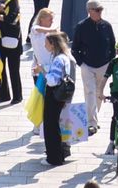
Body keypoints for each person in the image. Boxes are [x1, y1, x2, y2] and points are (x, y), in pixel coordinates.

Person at [69, 0, 115, 131]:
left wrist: (110, 61)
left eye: (101, 9)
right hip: (87, 65)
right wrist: (81, 63)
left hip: (104, 65)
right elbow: (74, 48)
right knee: (90, 92)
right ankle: (91, 123)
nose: (100, 12)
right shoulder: (81, 26)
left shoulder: (107, 26)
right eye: (97, 9)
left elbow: (113, 45)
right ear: (89, 11)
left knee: (99, 93)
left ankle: (94, 116)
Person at [42, 32, 79, 166]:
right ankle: (57, 155)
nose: (45, 45)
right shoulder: (65, 57)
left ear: (53, 44)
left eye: (46, 42)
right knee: (54, 125)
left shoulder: (58, 59)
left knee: (51, 126)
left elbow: (53, 80)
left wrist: (45, 73)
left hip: (54, 95)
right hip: (61, 95)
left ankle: (53, 157)